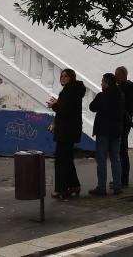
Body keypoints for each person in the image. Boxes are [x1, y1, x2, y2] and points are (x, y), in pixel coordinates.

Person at [46, 68, 85, 200]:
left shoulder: (69, 91)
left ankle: (61, 189)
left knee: (61, 160)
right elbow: (66, 109)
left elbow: (65, 110)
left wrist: (54, 105)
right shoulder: (72, 91)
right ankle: (74, 185)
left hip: (66, 132)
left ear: (71, 77)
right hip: (69, 131)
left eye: (66, 76)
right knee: (66, 159)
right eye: (61, 76)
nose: (63, 78)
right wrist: (57, 106)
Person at [89, 72, 124, 196]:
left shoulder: (102, 96)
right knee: (115, 158)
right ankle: (117, 186)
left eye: (102, 81)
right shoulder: (120, 95)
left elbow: (92, 107)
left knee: (101, 159)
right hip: (116, 131)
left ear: (107, 83)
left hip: (103, 131)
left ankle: (101, 186)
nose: (101, 83)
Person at [115, 66, 133, 188]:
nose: (116, 77)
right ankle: (122, 178)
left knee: (121, 151)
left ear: (124, 75)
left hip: (123, 122)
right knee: (121, 151)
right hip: (125, 121)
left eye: (117, 75)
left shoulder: (124, 88)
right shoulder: (128, 87)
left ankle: (123, 179)